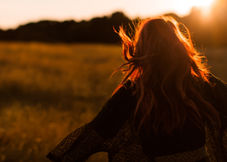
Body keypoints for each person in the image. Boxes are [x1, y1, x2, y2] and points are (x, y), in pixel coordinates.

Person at [47, 16, 227, 162]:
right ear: (178, 46)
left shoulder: (132, 92)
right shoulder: (201, 83)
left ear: (142, 48)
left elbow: (93, 134)